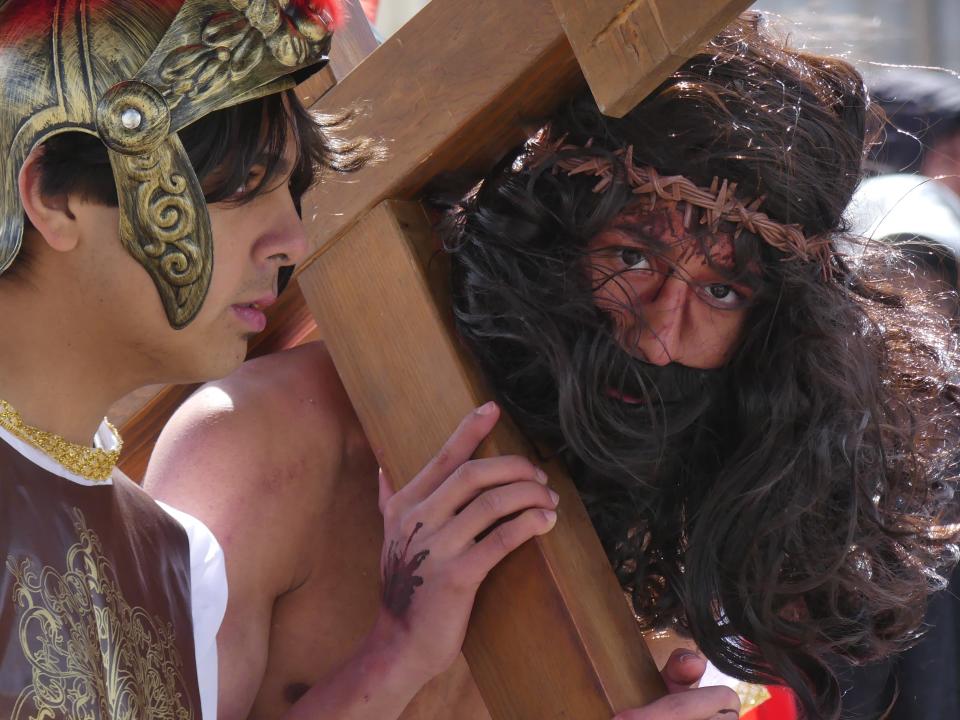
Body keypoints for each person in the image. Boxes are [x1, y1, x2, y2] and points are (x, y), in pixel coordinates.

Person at [0, 2, 564, 719]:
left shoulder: (180, 561)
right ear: (53, 196)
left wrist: (402, 648)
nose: (291, 240)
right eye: (243, 187)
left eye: (291, 192)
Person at [441, 12, 960, 719]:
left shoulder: (753, 517)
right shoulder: (332, 439)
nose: (658, 336)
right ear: (558, 242)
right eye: (631, 258)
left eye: (720, 291)